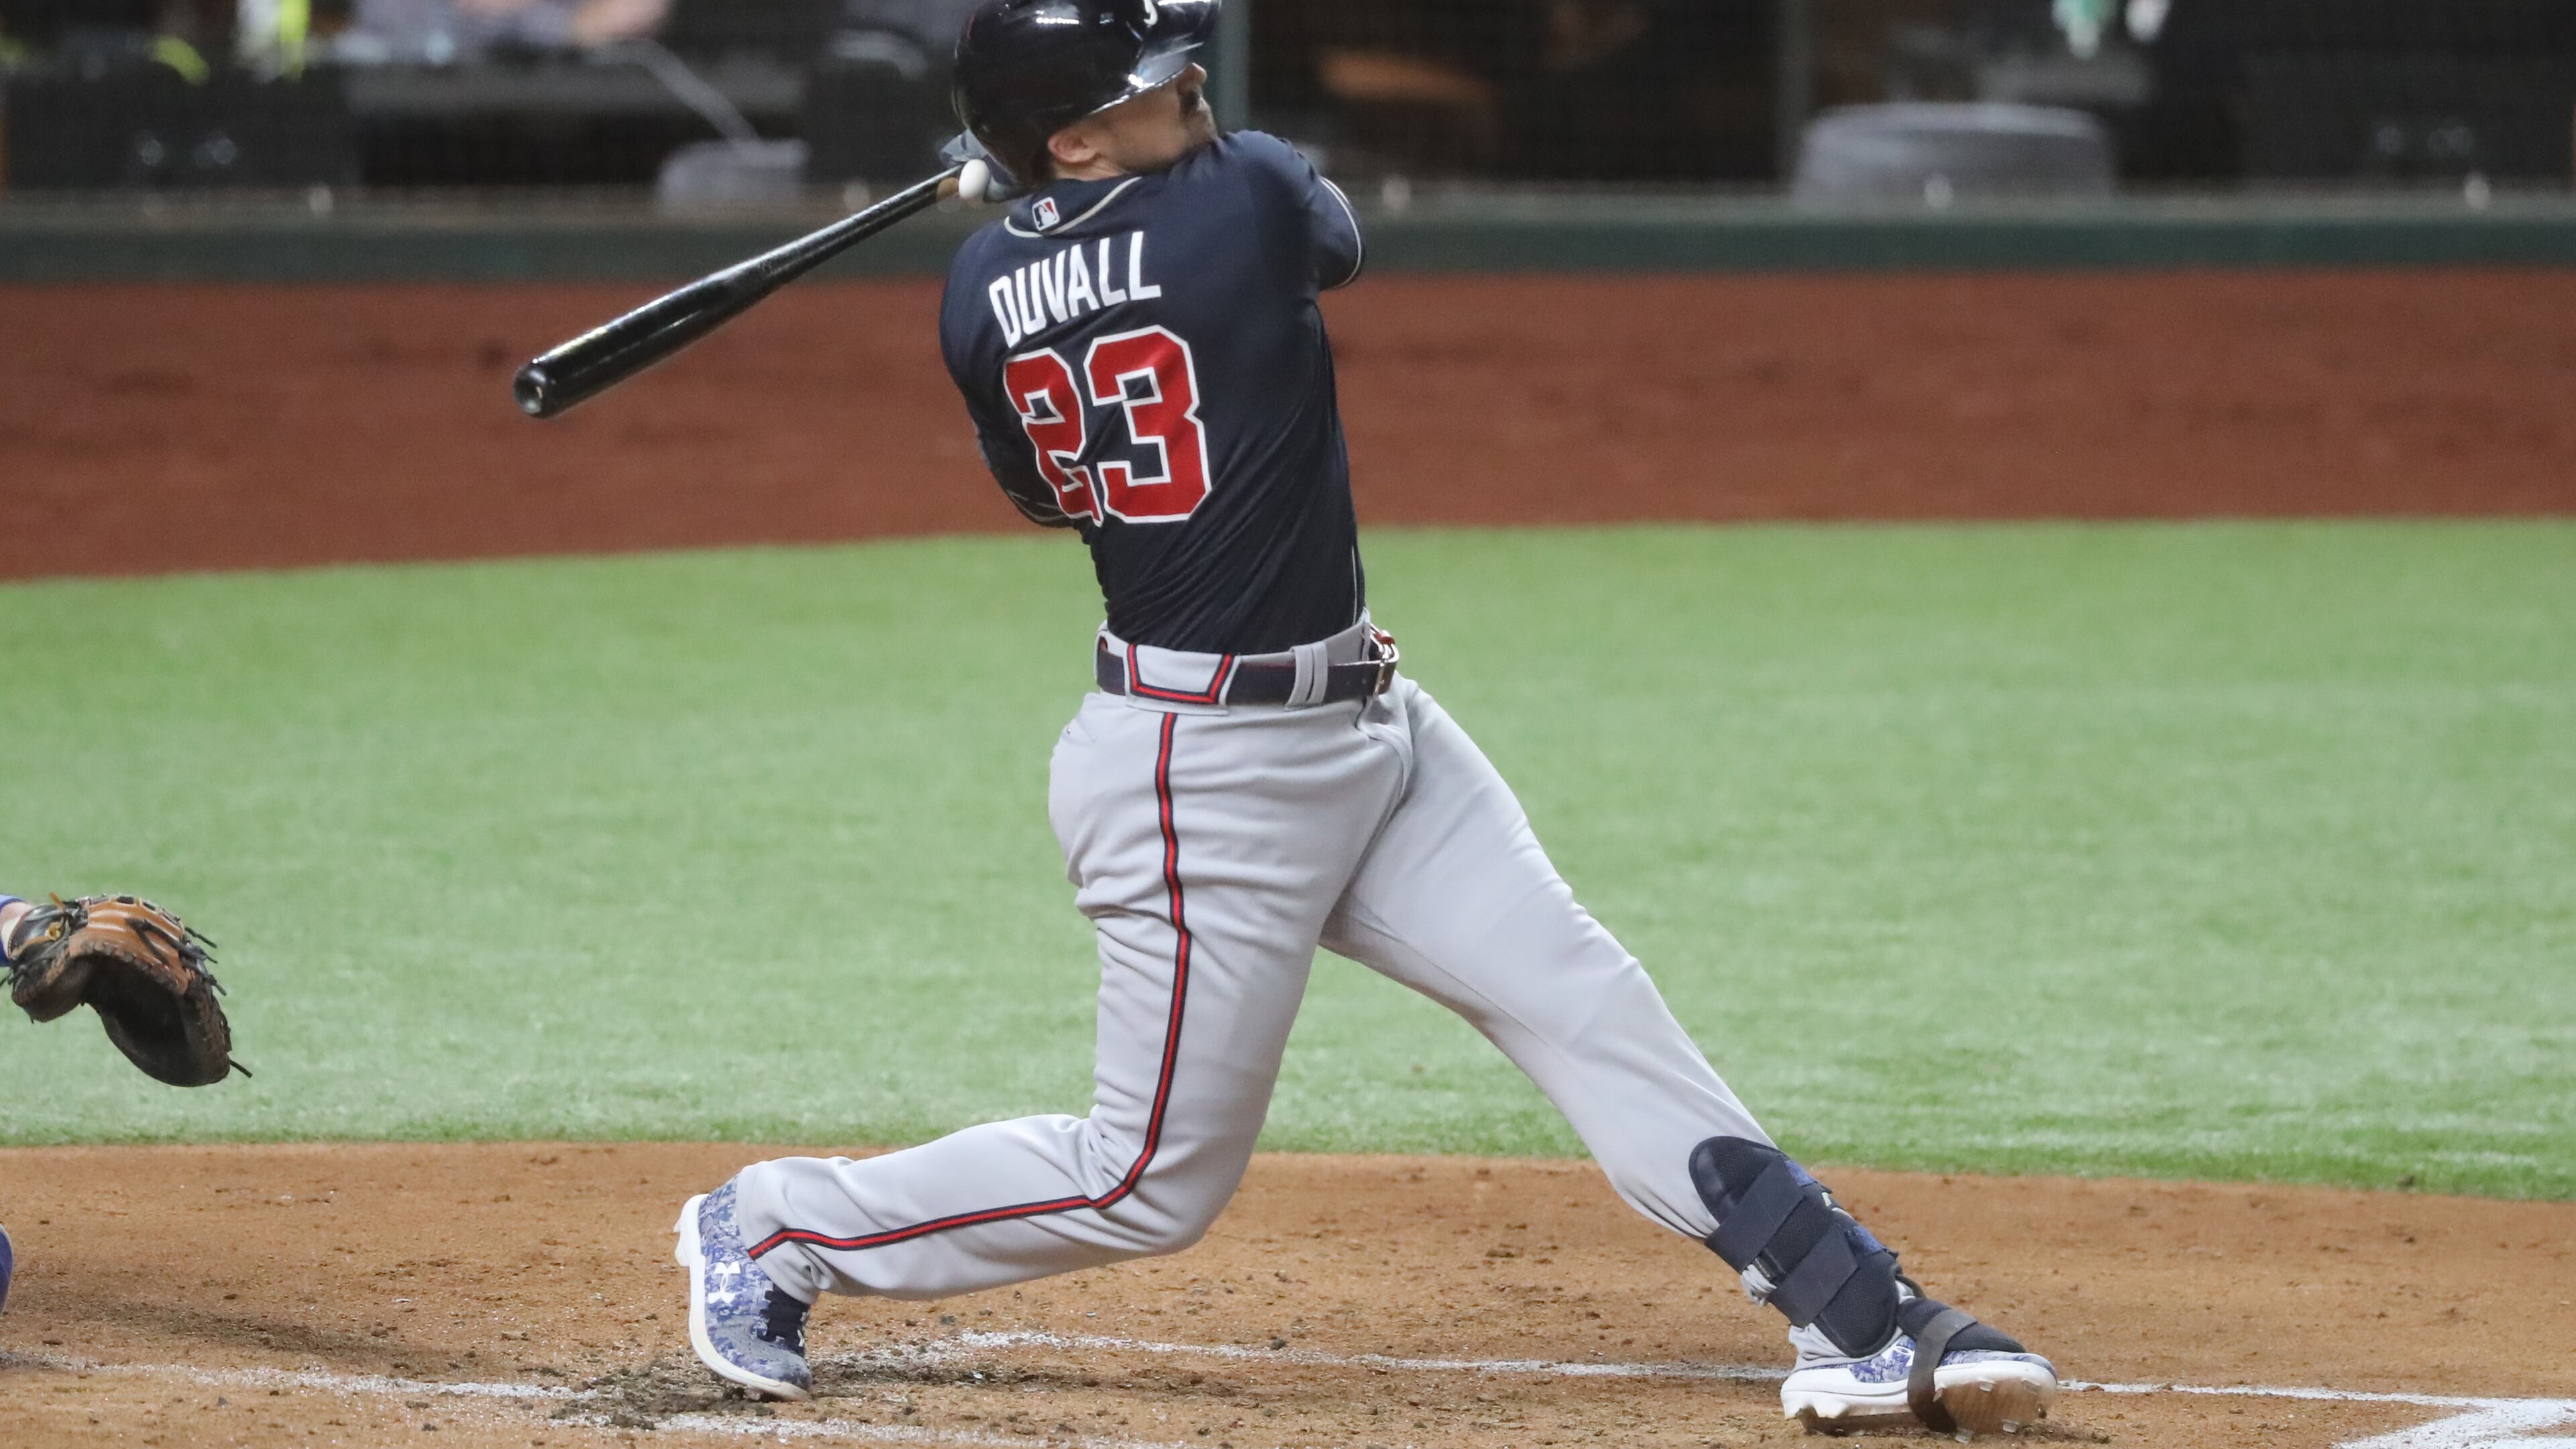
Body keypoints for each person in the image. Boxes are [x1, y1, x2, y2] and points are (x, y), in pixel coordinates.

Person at [667, 0, 2060, 1435]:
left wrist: (1049, 210)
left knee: (1579, 995)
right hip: (1201, 778)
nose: (1195, 86)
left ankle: (1863, 1317)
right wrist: (1096, 198)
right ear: (1075, 136)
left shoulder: (970, 293)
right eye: (1154, 83)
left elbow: (1043, 492)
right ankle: (774, 1230)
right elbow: (1325, 226)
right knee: (1144, 1182)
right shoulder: (1250, 196)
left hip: (1368, 725)